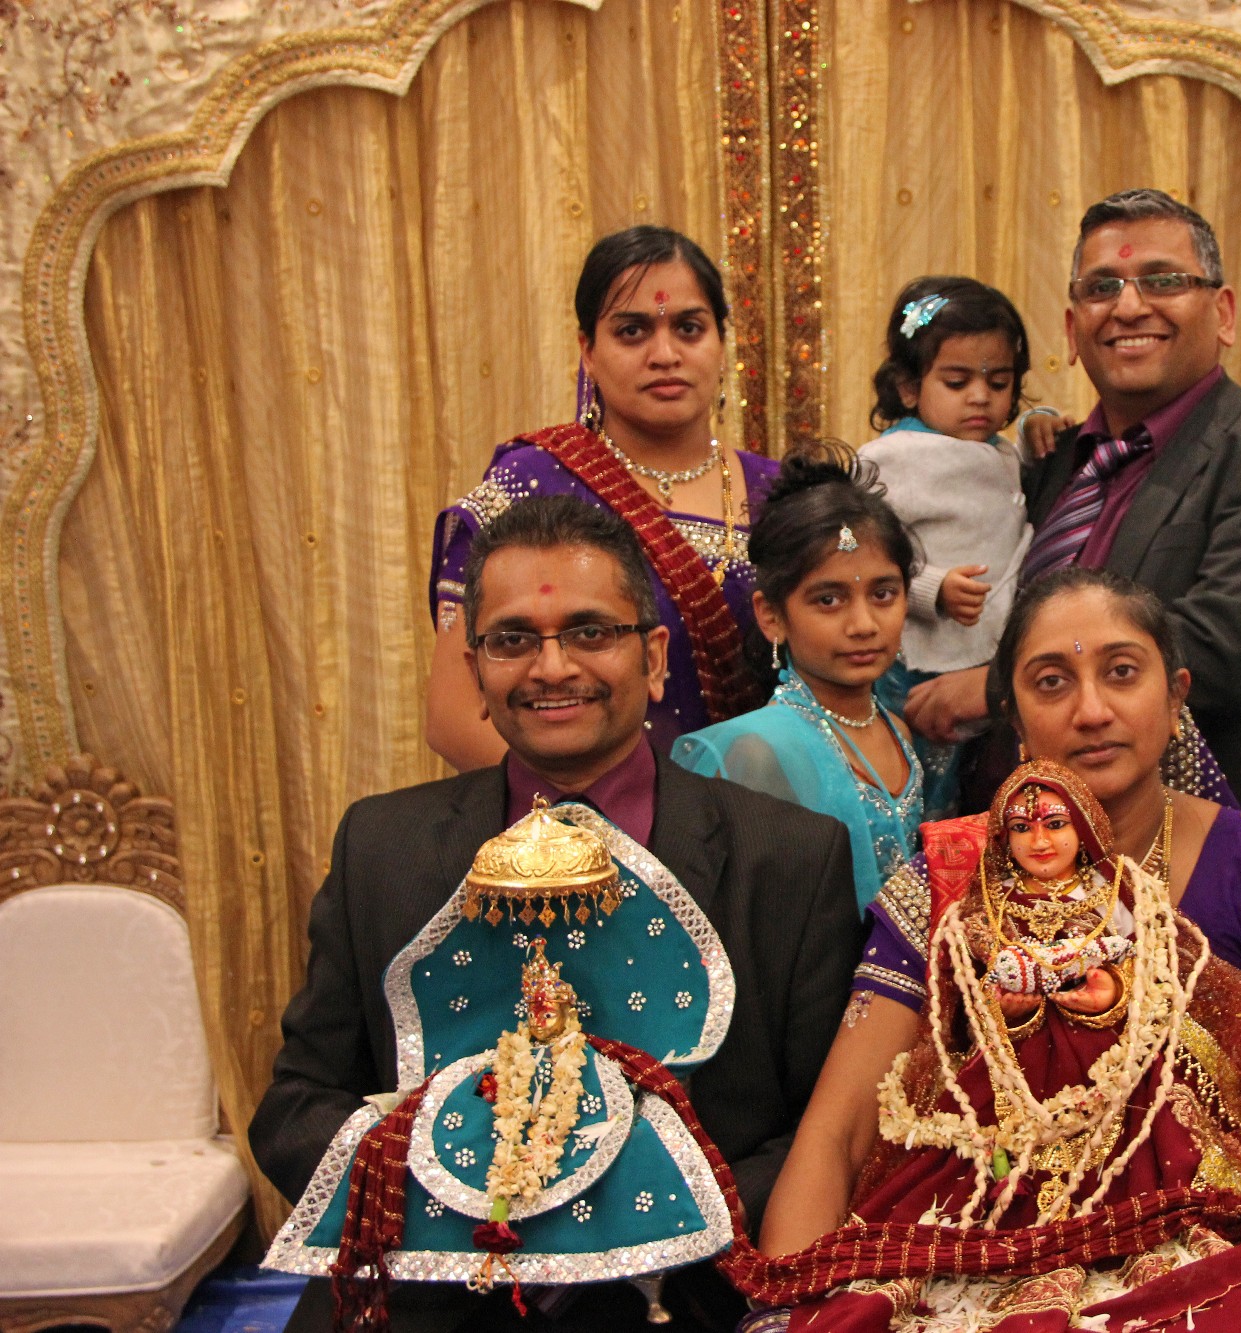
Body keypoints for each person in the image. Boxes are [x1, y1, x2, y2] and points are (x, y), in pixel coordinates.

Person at [740, 569, 1241, 1333]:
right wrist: (780, 1311)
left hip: (1214, 1253)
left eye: (1121, 671)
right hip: (973, 1251)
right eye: (1052, 681)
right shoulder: (951, 878)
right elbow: (840, 1129)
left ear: (1176, 698)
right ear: (1014, 718)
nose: (1092, 710)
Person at [252, 495, 862, 1331]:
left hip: (679, 1290)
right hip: (427, 1289)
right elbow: (297, 1104)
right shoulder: (382, 847)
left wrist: (624, 1213)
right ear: (474, 671)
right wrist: (456, 1189)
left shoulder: (787, 858)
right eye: (512, 640)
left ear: (652, 658)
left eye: (590, 631)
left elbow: (826, 1133)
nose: (552, 668)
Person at [903, 189, 1241, 821]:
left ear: (1223, 314)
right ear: (1072, 327)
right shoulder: (1048, 460)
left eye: (1163, 280)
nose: (1129, 306)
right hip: (998, 843)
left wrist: (996, 687)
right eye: (1102, 287)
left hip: (1171, 861)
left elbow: (1232, 652)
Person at [427, 226, 779, 769]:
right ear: (587, 351)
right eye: (632, 331)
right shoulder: (530, 484)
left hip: (767, 826)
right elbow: (453, 717)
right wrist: (605, 834)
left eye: (689, 328)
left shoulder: (780, 494)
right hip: (586, 837)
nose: (665, 354)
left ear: (721, 343)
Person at [672, 455, 924, 910]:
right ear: (772, 617)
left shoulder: (897, 731)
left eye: (883, 594)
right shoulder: (755, 751)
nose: (864, 624)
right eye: (829, 600)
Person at [859, 275, 1038, 815]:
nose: (981, 397)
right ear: (910, 387)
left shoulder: (1001, 450)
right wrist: (932, 589)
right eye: (957, 382)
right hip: (915, 662)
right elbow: (860, 558)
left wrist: (1043, 425)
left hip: (988, 664)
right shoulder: (894, 458)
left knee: (979, 796)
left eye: (999, 382)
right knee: (916, 792)